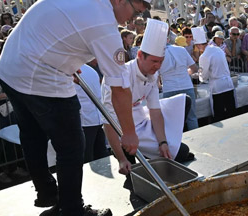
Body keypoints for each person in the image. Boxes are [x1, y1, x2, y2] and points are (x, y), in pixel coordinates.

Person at [0, 0, 163, 216]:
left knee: (33, 135)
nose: (133, 21)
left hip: (10, 66)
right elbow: (119, 88)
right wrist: (130, 133)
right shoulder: (106, 26)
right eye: (135, 12)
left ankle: (48, 193)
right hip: (39, 77)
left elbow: (63, 30)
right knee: (72, 143)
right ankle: (72, 213)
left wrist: (65, 60)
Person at [103, 19, 194, 176]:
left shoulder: (153, 74)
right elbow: (108, 123)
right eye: (153, 61)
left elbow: (155, 111)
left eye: (160, 62)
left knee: (181, 151)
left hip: (143, 124)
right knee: (131, 171)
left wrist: (163, 142)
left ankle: (151, 153)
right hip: (121, 130)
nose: (157, 66)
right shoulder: (119, 77)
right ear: (140, 55)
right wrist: (120, 158)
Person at [159, 32, 199, 131]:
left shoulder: (157, 54)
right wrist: (185, 74)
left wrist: (160, 85)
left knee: (171, 120)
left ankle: (174, 143)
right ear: (168, 40)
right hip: (186, 85)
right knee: (191, 117)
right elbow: (194, 68)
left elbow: (154, 76)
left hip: (169, 88)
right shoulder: (181, 49)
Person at [196, 27, 236, 122]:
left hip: (217, 87)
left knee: (219, 114)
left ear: (198, 45)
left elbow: (203, 76)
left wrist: (199, 76)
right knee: (231, 112)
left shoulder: (204, 56)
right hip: (228, 83)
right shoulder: (217, 49)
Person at [75, 64, 109, 163]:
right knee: (101, 154)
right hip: (97, 116)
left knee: (87, 157)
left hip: (85, 120)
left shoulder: (73, 72)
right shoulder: (91, 70)